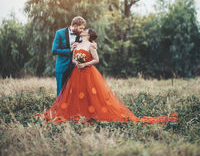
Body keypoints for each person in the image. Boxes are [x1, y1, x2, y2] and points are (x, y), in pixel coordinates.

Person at [36, 28, 178, 125]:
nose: (83, 31)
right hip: (76, 73)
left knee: (92, 94)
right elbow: (73, 58)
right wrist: (76, 62)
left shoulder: (92, 46)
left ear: (88, 35)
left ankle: (91, 114)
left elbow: (96, 60)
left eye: (85, 31)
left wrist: (84, 64)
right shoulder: (77, 44)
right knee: (77, 94)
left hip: (88, 73)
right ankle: (78, 113)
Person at [52, 16, 86, 97]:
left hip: (75, 68)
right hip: (62, 67)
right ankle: (59, 109)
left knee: (74, 92)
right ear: (74, 26)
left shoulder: (81, 35)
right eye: (81, 28)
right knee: (61, 91)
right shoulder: (59, 33)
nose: (82, 30)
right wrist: (70, 50)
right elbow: (54, 50)